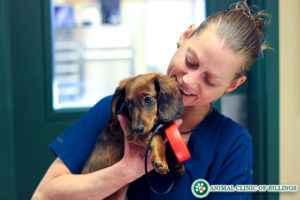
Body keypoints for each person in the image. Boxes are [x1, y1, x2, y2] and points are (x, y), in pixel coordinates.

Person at [32, 1, 270, 199]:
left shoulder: (232, 143)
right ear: (185, 36)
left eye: (209, 80)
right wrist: (126, 171)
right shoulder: (116, 109)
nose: (188, 81)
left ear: (232, 85)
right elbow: (43, 195)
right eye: (191, 61)